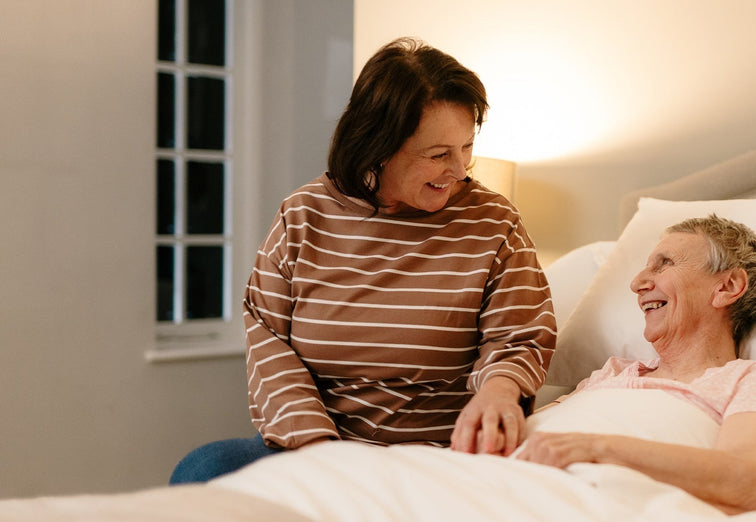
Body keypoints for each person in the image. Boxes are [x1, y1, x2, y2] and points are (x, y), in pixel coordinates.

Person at [171, 37, 556, 483]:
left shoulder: (493, 223)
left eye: (466, 147)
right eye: (439, 155)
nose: (461, 169)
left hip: (435, 455)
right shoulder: (304, 215)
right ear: (380, 146)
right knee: (202, 469)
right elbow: (268, 336)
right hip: (315, 448)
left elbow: (519, 334)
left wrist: (500, 391)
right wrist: (319, 454)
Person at [515, 215, 756, 514]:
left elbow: (755, 481)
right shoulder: (611, 374)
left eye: (665, 263)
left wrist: (596, 449)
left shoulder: (753, 378)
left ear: (728, 286)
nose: (637, 283)